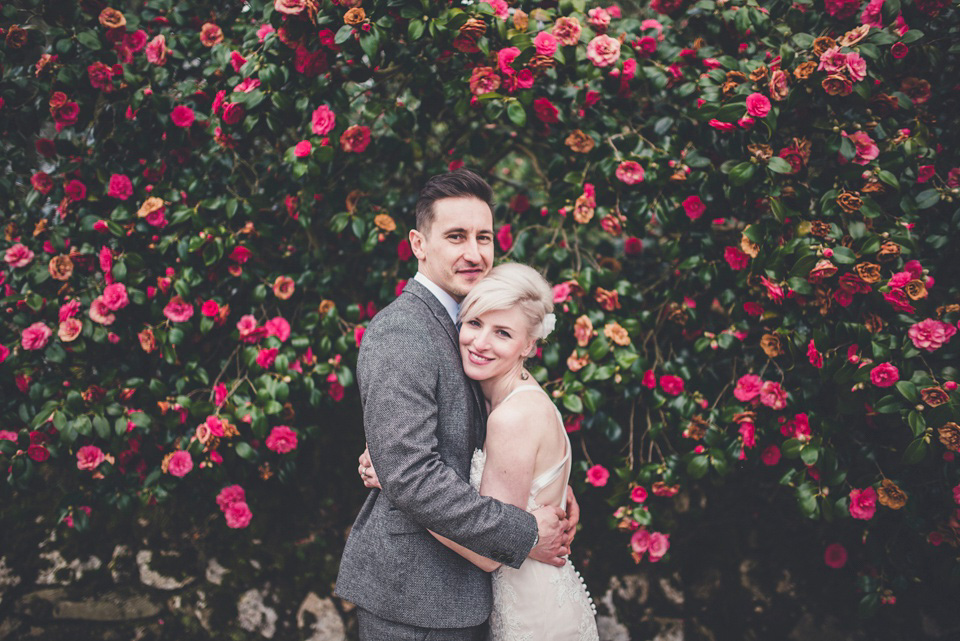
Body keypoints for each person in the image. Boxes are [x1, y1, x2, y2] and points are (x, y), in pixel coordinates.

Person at [334, 169, 579, 640]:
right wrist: (525, 531)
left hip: (467, 592)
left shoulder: (474, 324)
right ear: (418, 245)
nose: (474, 253)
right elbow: (411, 475)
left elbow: (491, 435)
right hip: (418, 598)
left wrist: (552, 493)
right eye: (455, 236)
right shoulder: (403, 332)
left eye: (483, 237)